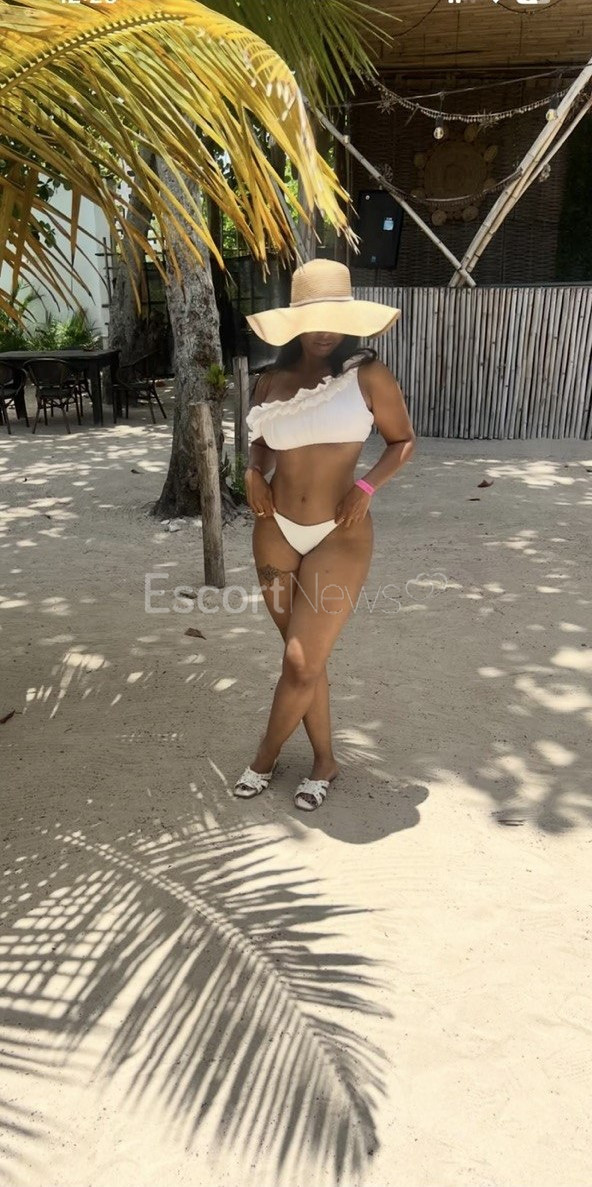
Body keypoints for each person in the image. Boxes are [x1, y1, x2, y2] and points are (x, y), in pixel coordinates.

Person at [234, 258, 416, 810]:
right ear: (295, 322)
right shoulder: (270, 380)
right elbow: (260, 442)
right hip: (274, 530)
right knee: (305, 660)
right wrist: (252, 471)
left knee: (299, 662)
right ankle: (324, 761)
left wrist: (366, 487)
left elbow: (402, 441)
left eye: (335, 317)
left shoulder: (367, 375)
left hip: (340, 532)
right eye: (314, 318)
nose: (324, 329)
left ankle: (263, 759)